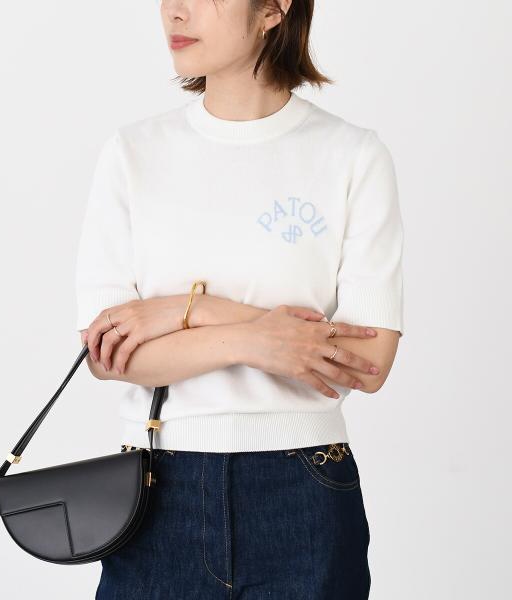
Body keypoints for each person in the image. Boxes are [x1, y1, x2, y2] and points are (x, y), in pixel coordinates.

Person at [75, 1, 404, 598]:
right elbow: (107, 355)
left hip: (304, 486)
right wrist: (251, 338)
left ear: (273, 10)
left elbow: (368, 362)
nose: (175, 12)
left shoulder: (352, 155)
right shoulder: (133, 153)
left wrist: (185, 312)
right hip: (156, 491)